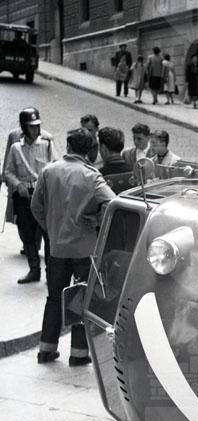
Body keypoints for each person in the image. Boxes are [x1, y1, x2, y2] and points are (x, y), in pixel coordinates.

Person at [31, 128, 115, 366]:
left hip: (57, 247)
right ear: (89, 150)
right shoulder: (92, 175)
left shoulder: (49, 171)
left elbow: (36, 207)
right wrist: (95, 220)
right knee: (81, 298)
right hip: (83, 249)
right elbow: (112, 203)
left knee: (54, 297)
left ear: (68, 146)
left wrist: (51, 229)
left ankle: (46, 348)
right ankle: (78, 353)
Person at [4, 107, 59, 283]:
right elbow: (8, 171)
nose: (35, 130)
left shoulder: (47, 145)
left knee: (47, 233)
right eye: (31, 127)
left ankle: (51, 272)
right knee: (27, 233)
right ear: (24, 127)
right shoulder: (16, 148)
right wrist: (17, 184)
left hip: (42, 194)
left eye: (37, 126)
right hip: (24, 195)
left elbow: (56, 166)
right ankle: (34, 270)